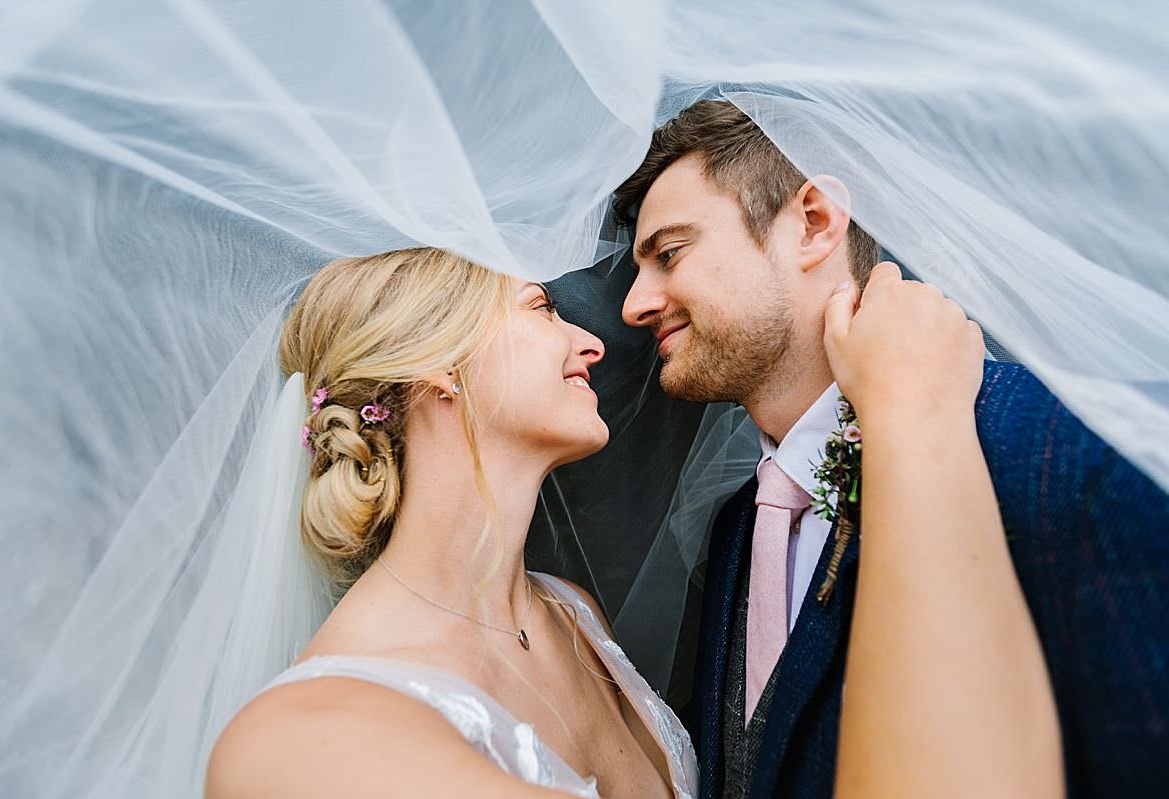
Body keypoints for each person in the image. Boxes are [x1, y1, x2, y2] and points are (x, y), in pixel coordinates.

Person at [205, 242, 1059, 798]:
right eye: (540, 307)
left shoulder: (569, 611)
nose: (594, 342)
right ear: (437, 368)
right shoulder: (305, 741)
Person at [615, 98, 1169, 798]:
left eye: (669, 253)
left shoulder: (1056, 448)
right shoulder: (736, 532)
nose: (635, 303)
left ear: (813, 224)